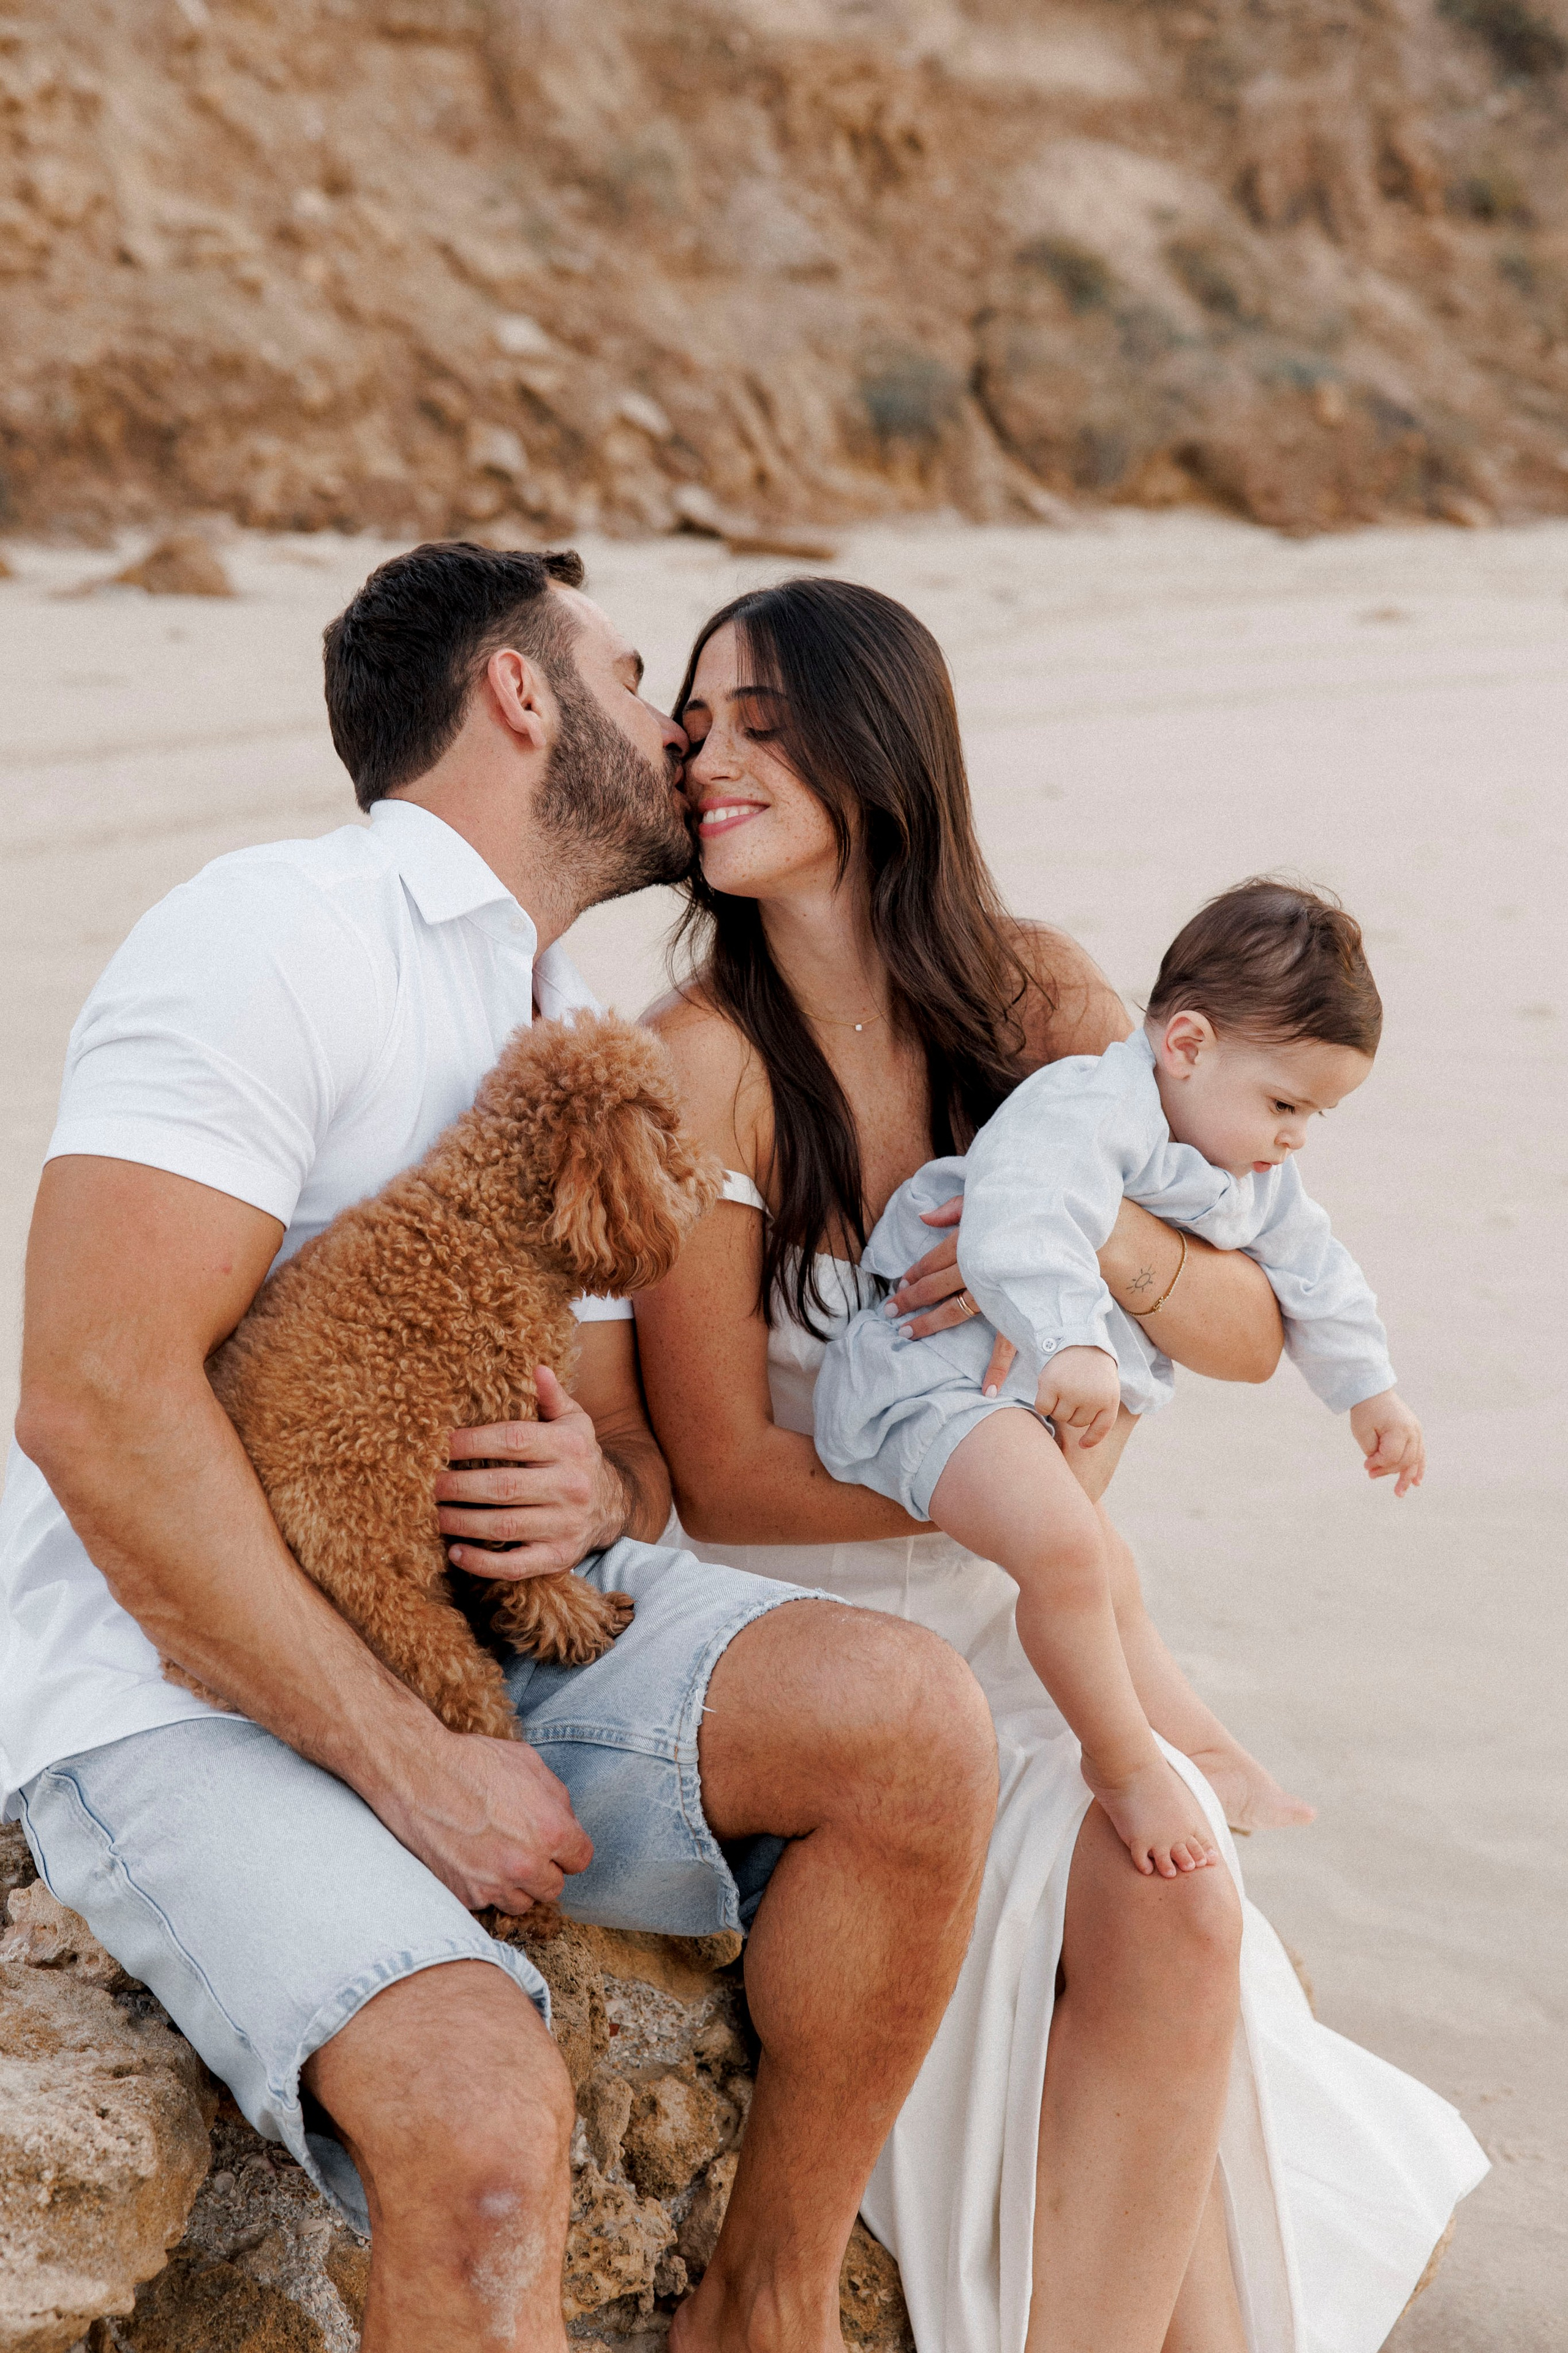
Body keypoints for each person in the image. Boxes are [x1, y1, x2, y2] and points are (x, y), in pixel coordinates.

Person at [1, 544, 1001, 2353]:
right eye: (635, 678)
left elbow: (623, 1450)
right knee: (480, 2143)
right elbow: (93, 1393)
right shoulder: (273, 932)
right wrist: (411, 1765)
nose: (679, 732)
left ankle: (766, 2302)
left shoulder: (562, 1025)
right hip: (175, 1686)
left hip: (477, 1632)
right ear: (519, 692)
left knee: (915, 1725)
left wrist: (589, 1490)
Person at [636, 576, 1488, 2353]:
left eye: (763, 722)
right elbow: (721, 1474)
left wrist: (1091, 1242)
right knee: (1148, 1882)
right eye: (697, 724)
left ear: (882, 744)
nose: (708, 758)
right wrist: (991, 1473)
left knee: (1179, 1904)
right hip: (819, 1642)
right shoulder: (699, 1066)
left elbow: (1246, 1326)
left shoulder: (1037, 1002)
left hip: (1029, 1612)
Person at [813, 877, 1427, 1879]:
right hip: (940, 1382)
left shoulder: (1252, 1167)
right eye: (1284, 1104)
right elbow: (1022, 1215)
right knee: (1066, 1548)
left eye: (1314, 1114)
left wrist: (1371, 1391)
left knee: (1112, 1572)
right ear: (1187, 1045)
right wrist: (1073, 1342)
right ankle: (1124, 1764)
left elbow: (1316, 1268)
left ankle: (1207, 1751)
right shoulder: (1088, 1106)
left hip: (1026, 1396)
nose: (1295, 1137)